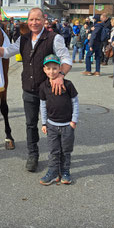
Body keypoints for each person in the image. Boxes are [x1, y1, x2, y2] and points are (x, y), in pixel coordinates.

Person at [0, 7, 72, 172]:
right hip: (28, 89)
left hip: (50, 91)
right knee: (30, 124)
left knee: (54, 125)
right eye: (31, 20)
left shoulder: (54, 38)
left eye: (37, 19)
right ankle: (33, 155)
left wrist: (61, 75)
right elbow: (6, 53)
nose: (34, 23)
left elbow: (66, 59)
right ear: (27, 22)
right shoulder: (23, 39)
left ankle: (57, 157)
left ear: (44, 20)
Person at [39, 54, 79, 185]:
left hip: (67, 125)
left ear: (60, 68)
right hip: (51, 125)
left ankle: (65, 171)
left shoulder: (68, 85)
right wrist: (44, 123)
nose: (52, 71)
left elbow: (75, 102)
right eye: (49, 68)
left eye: (55, 68)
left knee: (66, 151)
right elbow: (43, 105)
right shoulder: (43, 86)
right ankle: (53, 172)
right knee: (54, 151)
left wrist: (73, 121)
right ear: (44, 69)